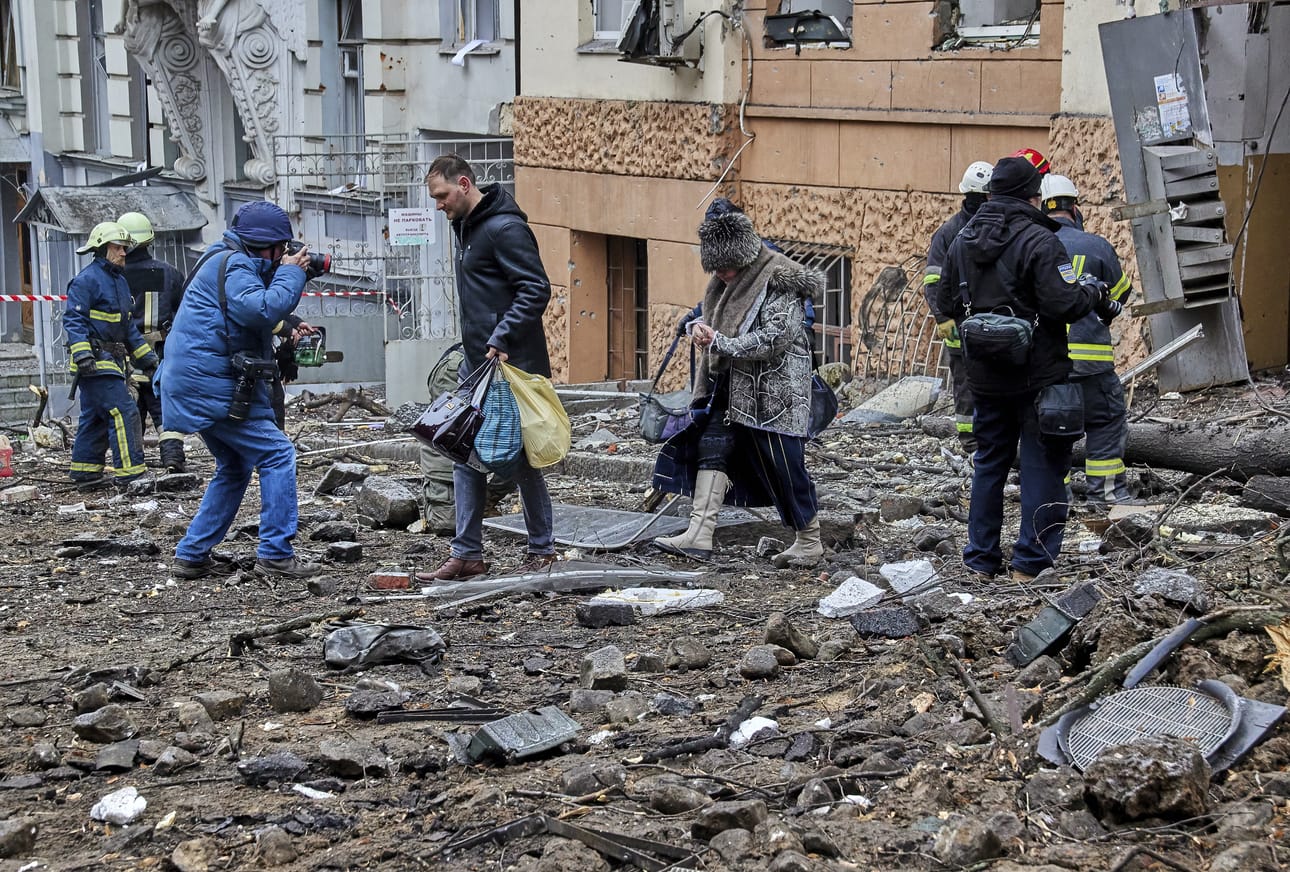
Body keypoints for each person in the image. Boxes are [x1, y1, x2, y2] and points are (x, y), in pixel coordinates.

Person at [935, 156, 1111, 581]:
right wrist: (1091, 291)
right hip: (1040, 376)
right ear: (1033, 195)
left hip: (986, 377)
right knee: (1043, 465)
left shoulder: (962, 239)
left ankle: (980, 560)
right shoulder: (1040, 240)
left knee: (990, 463)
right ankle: (1031, 564)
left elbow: (944, 303)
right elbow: (1064, 304)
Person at [651, 205, 825, 568]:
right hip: (729, 385)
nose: (720, 274)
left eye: (725, 266)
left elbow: (778, 335)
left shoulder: (780, 277)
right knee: (711, 446)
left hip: (772, 394)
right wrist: (696, 326)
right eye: (715, 267)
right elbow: (718, 318)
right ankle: (699, 533)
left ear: (744, 256)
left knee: (783, 463)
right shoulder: (723, 281)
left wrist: (721, 343)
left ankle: (809, 539)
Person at [160, 201, 321, 581]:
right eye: (280, 247)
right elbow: (261, 310)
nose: (283, 254)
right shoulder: (233, 264)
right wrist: (290, 275)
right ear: (262, 245)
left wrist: (291, 279)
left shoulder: (224, 259)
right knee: (278, 454)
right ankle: (276, 553)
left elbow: (252, 307)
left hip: (196, 382)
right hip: (208, 384)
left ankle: (192, 554)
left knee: (234, 465)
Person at [416, 154, 555, 581]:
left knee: (519, 458)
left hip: (511, 366)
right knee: (463, 452)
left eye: (441, 196)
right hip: (479, 364)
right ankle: (467, 554)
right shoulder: (467, 226)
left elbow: (536, 288)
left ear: (463, 183)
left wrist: (502, 335)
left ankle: (543, 550)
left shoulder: (505, 229)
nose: (438, 205)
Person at [1040, 174, 1133, 505]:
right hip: (1091, 362)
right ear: (1075, 208)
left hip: (1046, 364)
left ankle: (1054, 498)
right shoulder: (1096, 246)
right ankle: (1105, 494)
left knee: (1051, 428)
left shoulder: (1030, 244)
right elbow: (1120, 296)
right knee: (1106, 420)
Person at [65, 221, 158, 489]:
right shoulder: (86, 281)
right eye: (118, 248)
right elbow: (74, 321)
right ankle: (132, 474)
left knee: (96, 416)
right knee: (124, 410)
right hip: (94, 362)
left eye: (125, 248)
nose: (124, 253)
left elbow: (128, 328)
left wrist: (148, 360)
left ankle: (85, 471)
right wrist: (83, 356)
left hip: (114, 362)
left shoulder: (119, 282)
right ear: (102, 248)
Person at [924, 160, 993, 454]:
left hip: (990, 320)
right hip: (960, 322)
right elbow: (933, 281)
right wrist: (943, 317)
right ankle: (971, 441)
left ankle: (990, 437)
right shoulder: (950, 232)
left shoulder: (991, 226)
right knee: (966, 384)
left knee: (990, 381)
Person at [117, 211, 189, 473]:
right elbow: (183, 315)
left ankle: (133, 464)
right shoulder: (170, 274)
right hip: (161, 357)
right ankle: (172, 458)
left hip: (126, 359)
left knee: (130, 413)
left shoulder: (115, 278)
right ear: (149, 241)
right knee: (165, 411)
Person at [418, 341, 514, 534]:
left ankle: (484, 500)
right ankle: (469, 499)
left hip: (499, 358)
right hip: (472, 359)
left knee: (521, 444)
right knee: (448, 524)